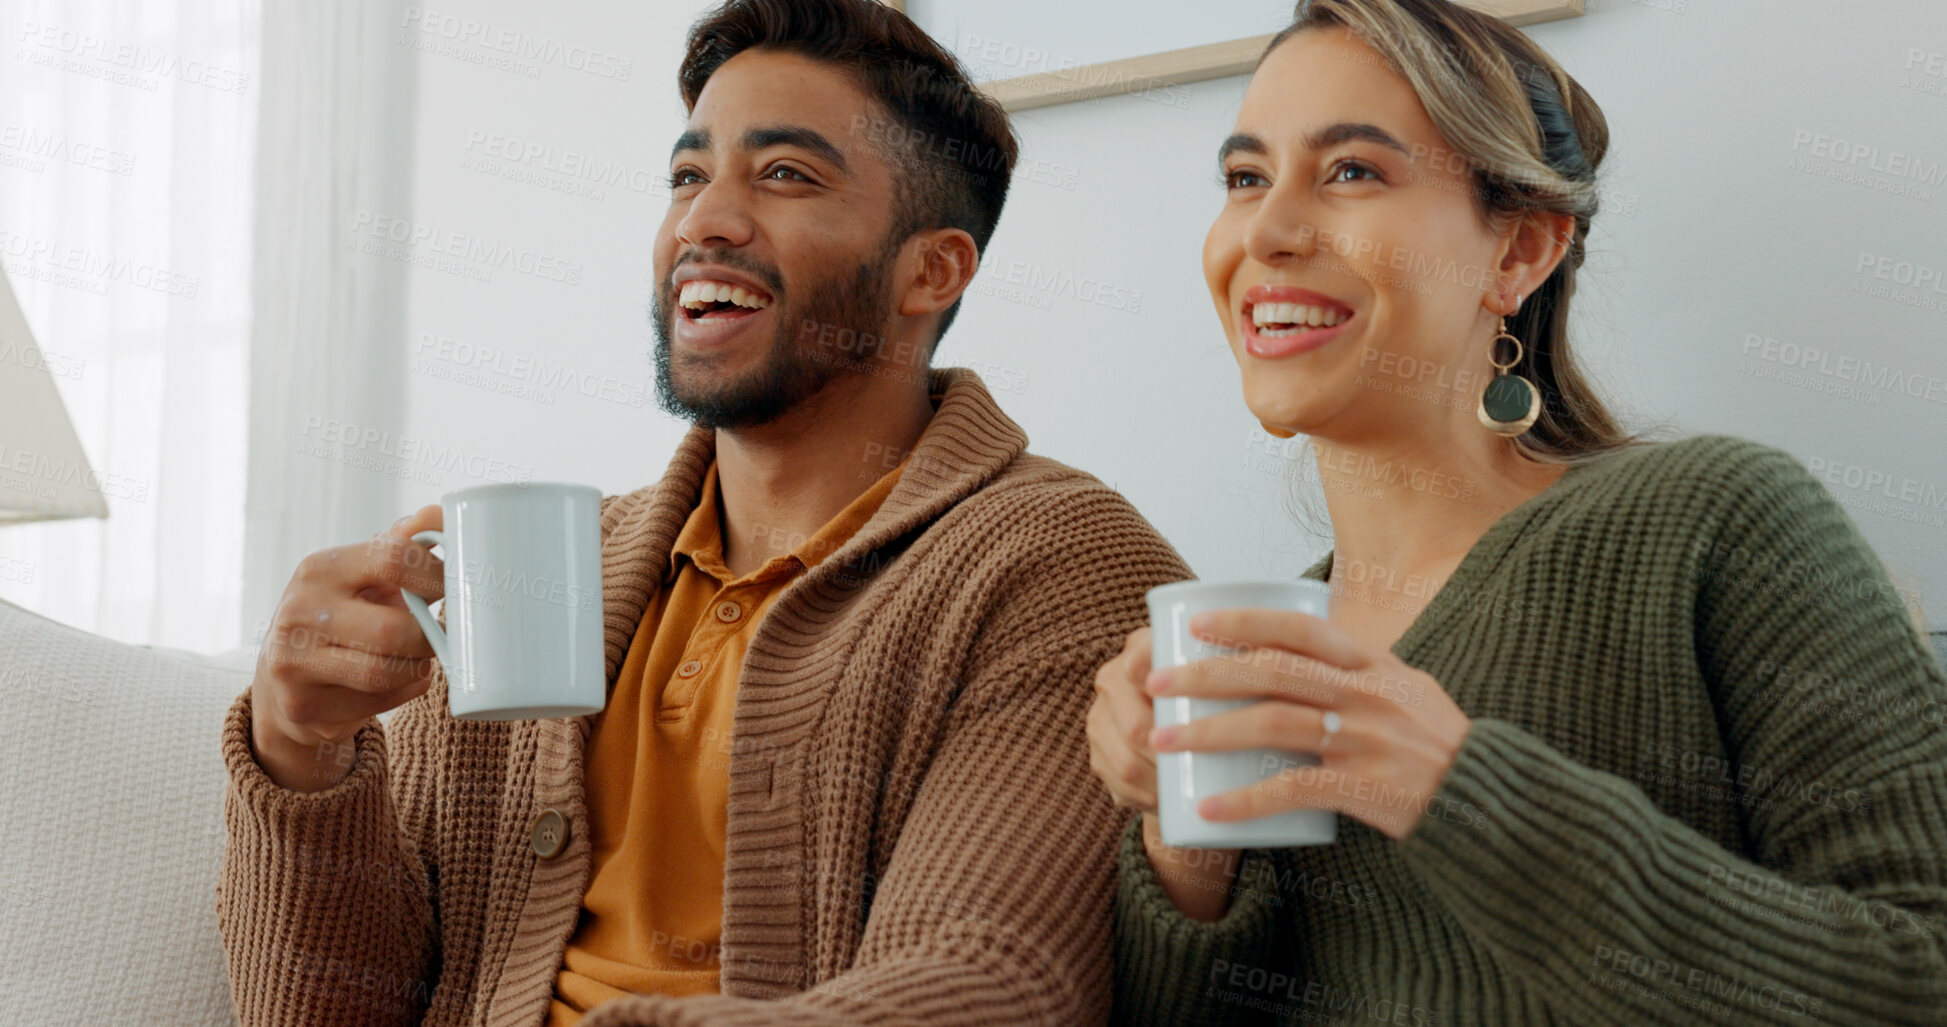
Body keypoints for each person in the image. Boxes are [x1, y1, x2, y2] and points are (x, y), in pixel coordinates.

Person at [219, 1, 1190, 1024]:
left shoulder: (1062, 565)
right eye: (688, 177)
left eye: (784, 175)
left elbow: (993, 983)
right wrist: (300, 756)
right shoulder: (550, 567)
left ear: (931, 270)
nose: (703, 221)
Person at [1086, 0, 1947, 1023]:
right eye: (1244, 178)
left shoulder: (1719, 521)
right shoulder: (1264, 656)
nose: (1264, 233)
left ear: (1521, 254)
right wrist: (1184, 849)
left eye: (1352, 170)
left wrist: (1461, 794)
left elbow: (1918, 976)